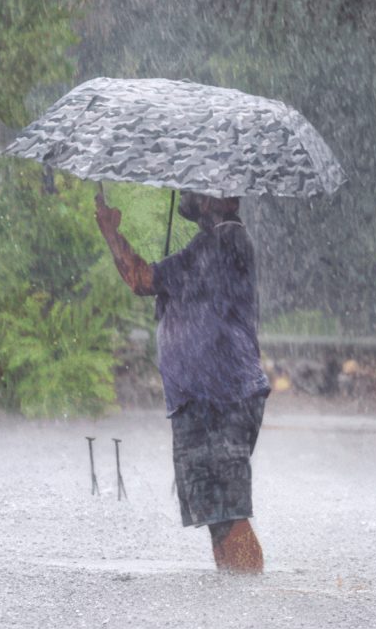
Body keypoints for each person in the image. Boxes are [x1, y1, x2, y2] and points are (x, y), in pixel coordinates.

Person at [95, 189, 270, 574]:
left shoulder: (223, 241)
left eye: (196, 187)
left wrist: (110, 232)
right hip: (204, 398)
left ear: (218, 196)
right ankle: (236, 599)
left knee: (226, 512)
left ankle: (249, 601)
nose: (187, 193)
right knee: (217, 515)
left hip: (220, 399)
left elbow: (142, 279)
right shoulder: (213, 242)